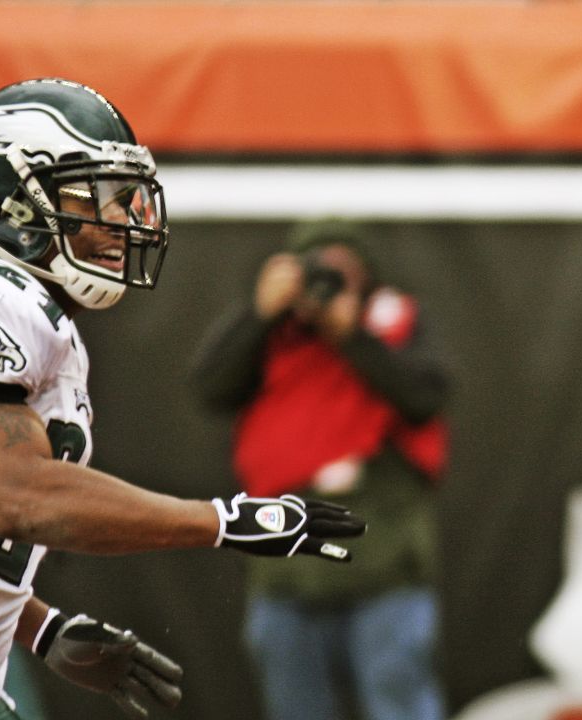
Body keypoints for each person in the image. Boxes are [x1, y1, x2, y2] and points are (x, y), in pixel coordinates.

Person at [0, 78, 366, 720]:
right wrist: (220, 520)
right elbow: (16, 496)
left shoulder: (46, 325)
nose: (123, 221)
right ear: (10, 207)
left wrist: (39, 627)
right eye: (97, 196)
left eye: (128, 198)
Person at [190, 220, 449, 720]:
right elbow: (210, 390)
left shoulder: (396, 325)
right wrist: (259, 315)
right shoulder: (271, 339)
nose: (324, 287)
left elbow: (424, 397)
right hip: (286, 571)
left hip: (385, 566)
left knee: (399, 702)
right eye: (314, 272)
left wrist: (351, 334)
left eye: (341, 274)